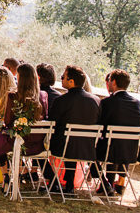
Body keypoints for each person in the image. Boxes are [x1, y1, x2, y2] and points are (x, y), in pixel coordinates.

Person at [0, 63, 47, 181]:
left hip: (18, 142)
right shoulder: (43, 95)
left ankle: (5, 175)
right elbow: (45, 117)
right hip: (38, 143)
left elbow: (8, 121)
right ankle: (28, 171)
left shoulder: (12, 96)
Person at [45, 65, 100, 193]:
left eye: (63, 77)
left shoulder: (61, 101)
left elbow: (52, 122)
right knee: (73, 140)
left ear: (71, 81)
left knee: (41, 146)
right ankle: (69, 183)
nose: (61, 79)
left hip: (62, 147)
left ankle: (53, 180)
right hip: (88, 147)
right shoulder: (96, 100)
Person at [94, 69, 140, 195]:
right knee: (116, 142)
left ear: (114, 82)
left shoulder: (107, 103)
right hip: (130, 152)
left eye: (109, 81)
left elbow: (100, 126)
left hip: (109, 149)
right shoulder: (137, 104)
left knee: (88, 150)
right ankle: (111, 184)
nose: (108, 83)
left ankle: (105, 183)